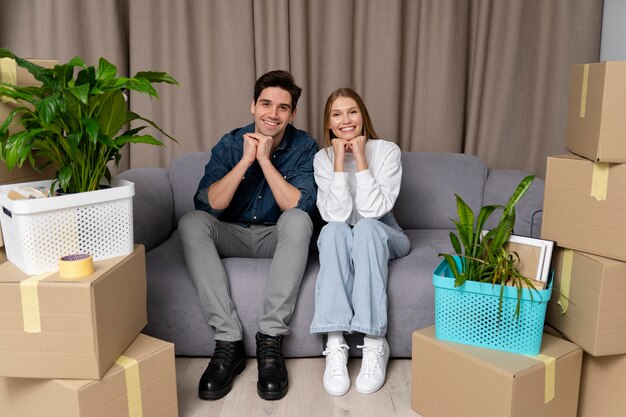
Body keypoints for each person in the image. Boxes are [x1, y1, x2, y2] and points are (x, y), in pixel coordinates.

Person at [178, 70, 318, 401]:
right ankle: (229, 342)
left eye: (283, 107)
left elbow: (298, 205)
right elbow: (209, 203)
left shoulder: (303, 146)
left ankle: (270, 341)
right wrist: (245, 161)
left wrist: (266, 162)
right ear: (253, 105)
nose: (273, 113)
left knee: (299, 220)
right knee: (192, 222)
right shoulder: (229, 143)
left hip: (277, 237)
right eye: (266, 104)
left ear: (292, 113)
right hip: (232, 233)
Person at [309, 87, 411, 396]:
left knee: (365, 227)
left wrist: (361, 158)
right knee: (332, 232)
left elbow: (374, 210)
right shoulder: (322, 159)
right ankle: (335, 343)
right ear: (329, 123)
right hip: (344, 231)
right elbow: (335, 217)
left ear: (362, 115)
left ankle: (374, 343)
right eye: (337, 114)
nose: (346, 120)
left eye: (352, 111)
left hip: (384, 230)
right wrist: (340, 160)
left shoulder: (387, 150)